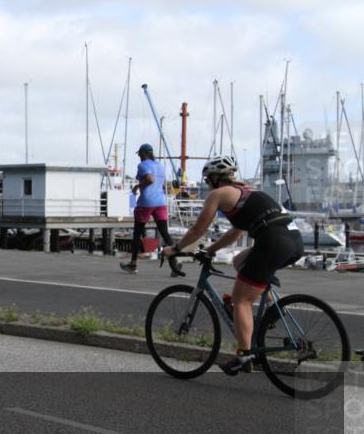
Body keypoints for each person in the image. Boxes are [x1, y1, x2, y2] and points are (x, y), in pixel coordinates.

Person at [162, 155, 302, 375]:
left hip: (273, 241)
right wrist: (210, 251)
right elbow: (236, 232)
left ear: (216, 179)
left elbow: (198, 230)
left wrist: (176, 248)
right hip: (294, 240)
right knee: (239, 261)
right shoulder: (248, 192)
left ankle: (244, 356)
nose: (207, 183)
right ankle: (272, 307)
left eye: (208, 179)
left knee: (241, 300)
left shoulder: (218, 195)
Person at [120, 143, 184, 276]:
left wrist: (138, 186)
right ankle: (175, 264)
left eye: (139, 154)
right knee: (165, 233)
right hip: (161, 202)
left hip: (147, 202)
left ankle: (133, 264)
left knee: (137, 233)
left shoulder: (143, 165)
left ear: (144, 153)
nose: (139, 157)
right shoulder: (160, 165)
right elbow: (162, 183)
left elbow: (149, 179)